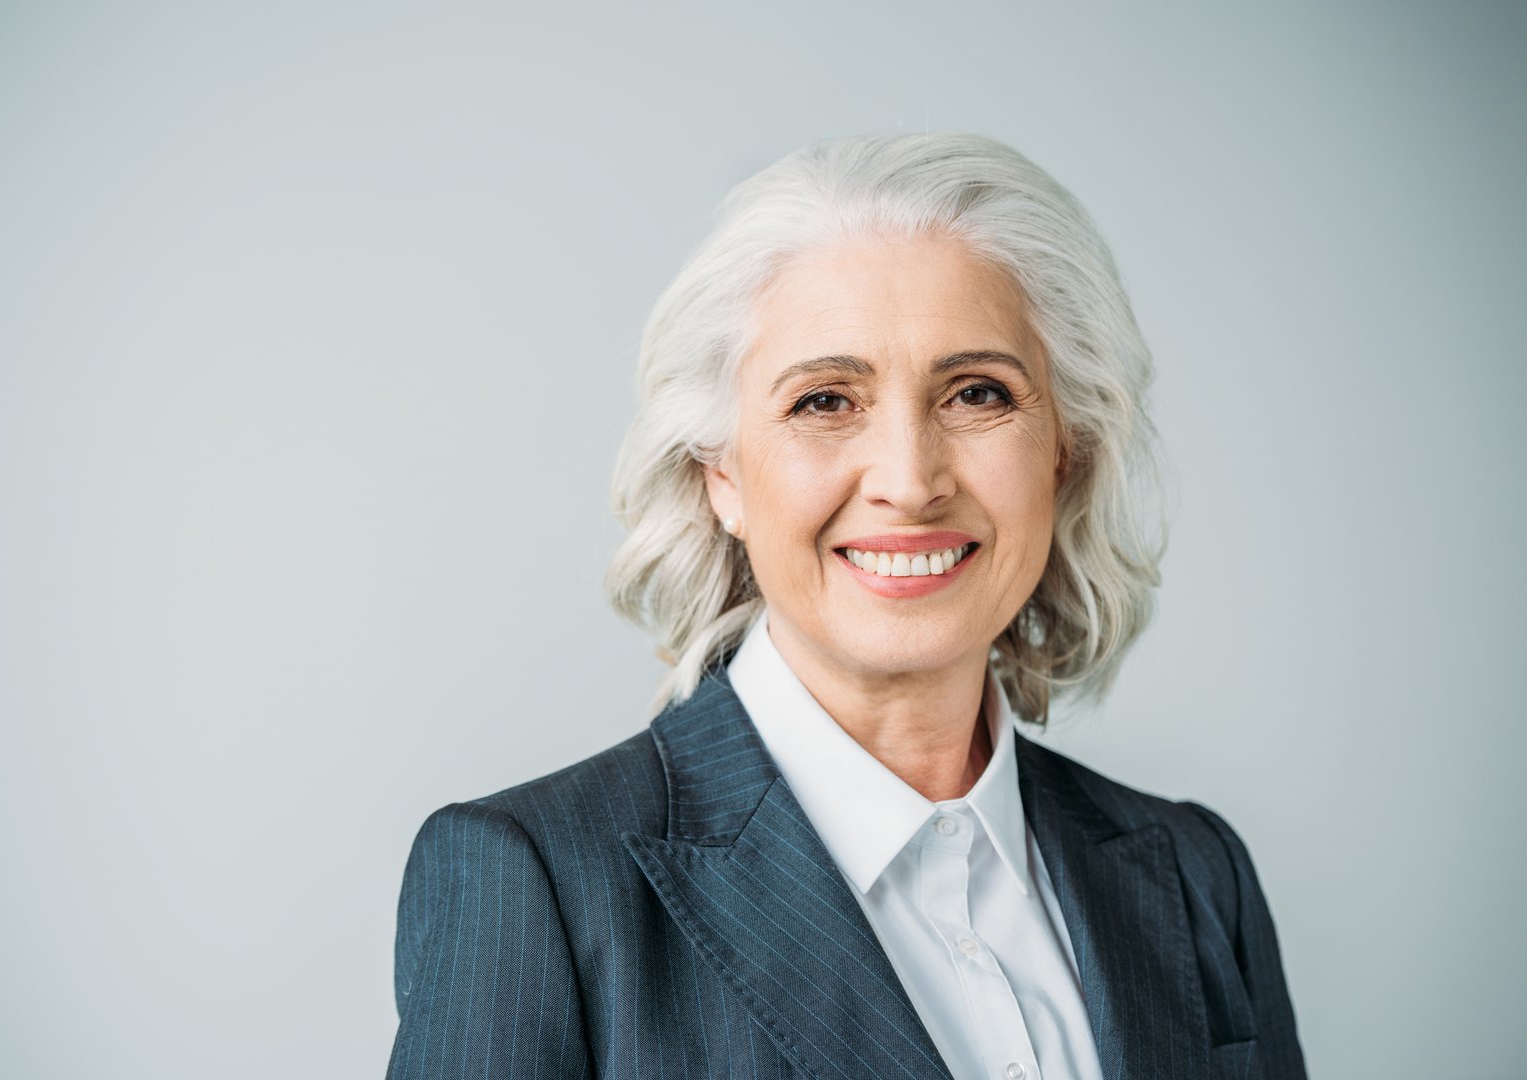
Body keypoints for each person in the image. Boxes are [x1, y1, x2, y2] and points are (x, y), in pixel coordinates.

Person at [385, 133, 1306, 1080]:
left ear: (1063, 451)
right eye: (826, 401)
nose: (909, 483)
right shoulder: (534, 883)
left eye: (977, 393)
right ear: (722, 477)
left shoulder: (1200, 877)